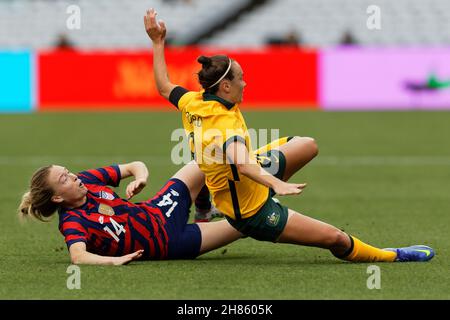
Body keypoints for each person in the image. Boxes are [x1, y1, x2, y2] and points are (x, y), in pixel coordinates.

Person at [144, 8, 435, 263]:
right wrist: (276, 185)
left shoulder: (194, 101)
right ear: (226, 88)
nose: (246, 82)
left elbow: (163, 86)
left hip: (244, 178)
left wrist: (158, 42)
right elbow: (243, 164)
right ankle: (394, 254)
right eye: (240, 78)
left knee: (307, 145)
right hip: (251, 210)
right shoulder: (224, 126)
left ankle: (209, 206)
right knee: (335, 238)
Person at [18, 161, 243, 265]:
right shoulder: (72, 221)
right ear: (57, 198)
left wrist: (140, 178)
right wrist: (114, 261)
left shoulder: (86, 180)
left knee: (209, 159)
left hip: (159, 208)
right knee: (245, 223)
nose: (73, 176)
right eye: (64, 178)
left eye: (67, 171)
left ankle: (203, 210)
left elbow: (134, 165)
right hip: (169, 242)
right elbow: (78, 256)